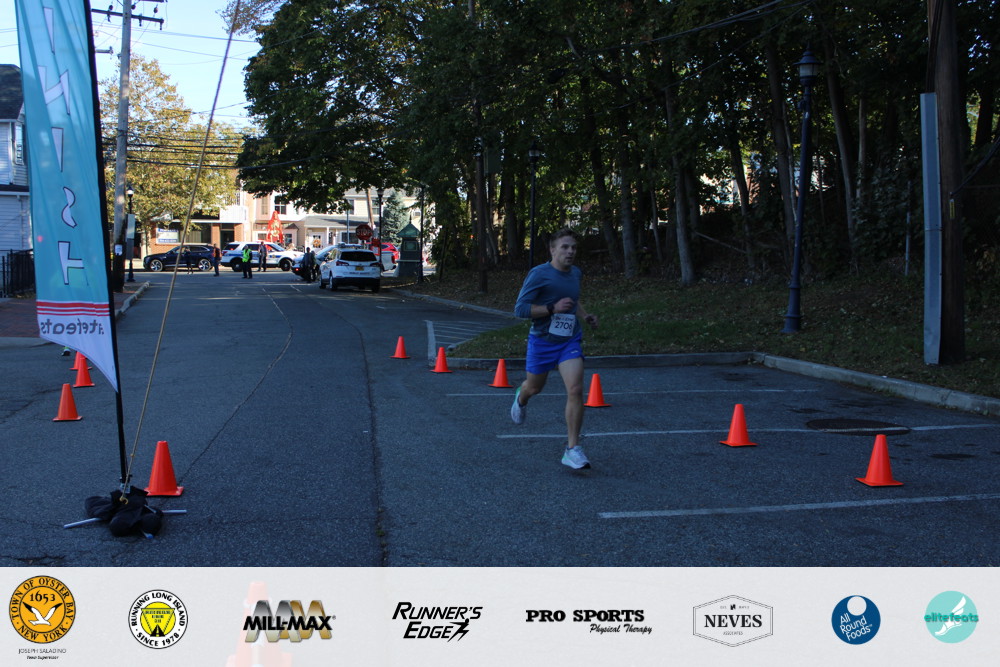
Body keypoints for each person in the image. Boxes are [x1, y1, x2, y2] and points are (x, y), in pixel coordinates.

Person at [510, 228, 598, 469]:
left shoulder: (576, 273)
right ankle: (521, 397)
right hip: (542, 342)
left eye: (574, 248)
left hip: (569, 340)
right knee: (534, 387)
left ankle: (572, 449)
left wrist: (585, 315)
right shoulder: (539, 274)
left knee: (576, 389)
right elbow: (520, 309)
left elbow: (573, 301)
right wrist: (552, 308)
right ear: (552, 250)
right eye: (565, 247)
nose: (570, 252)